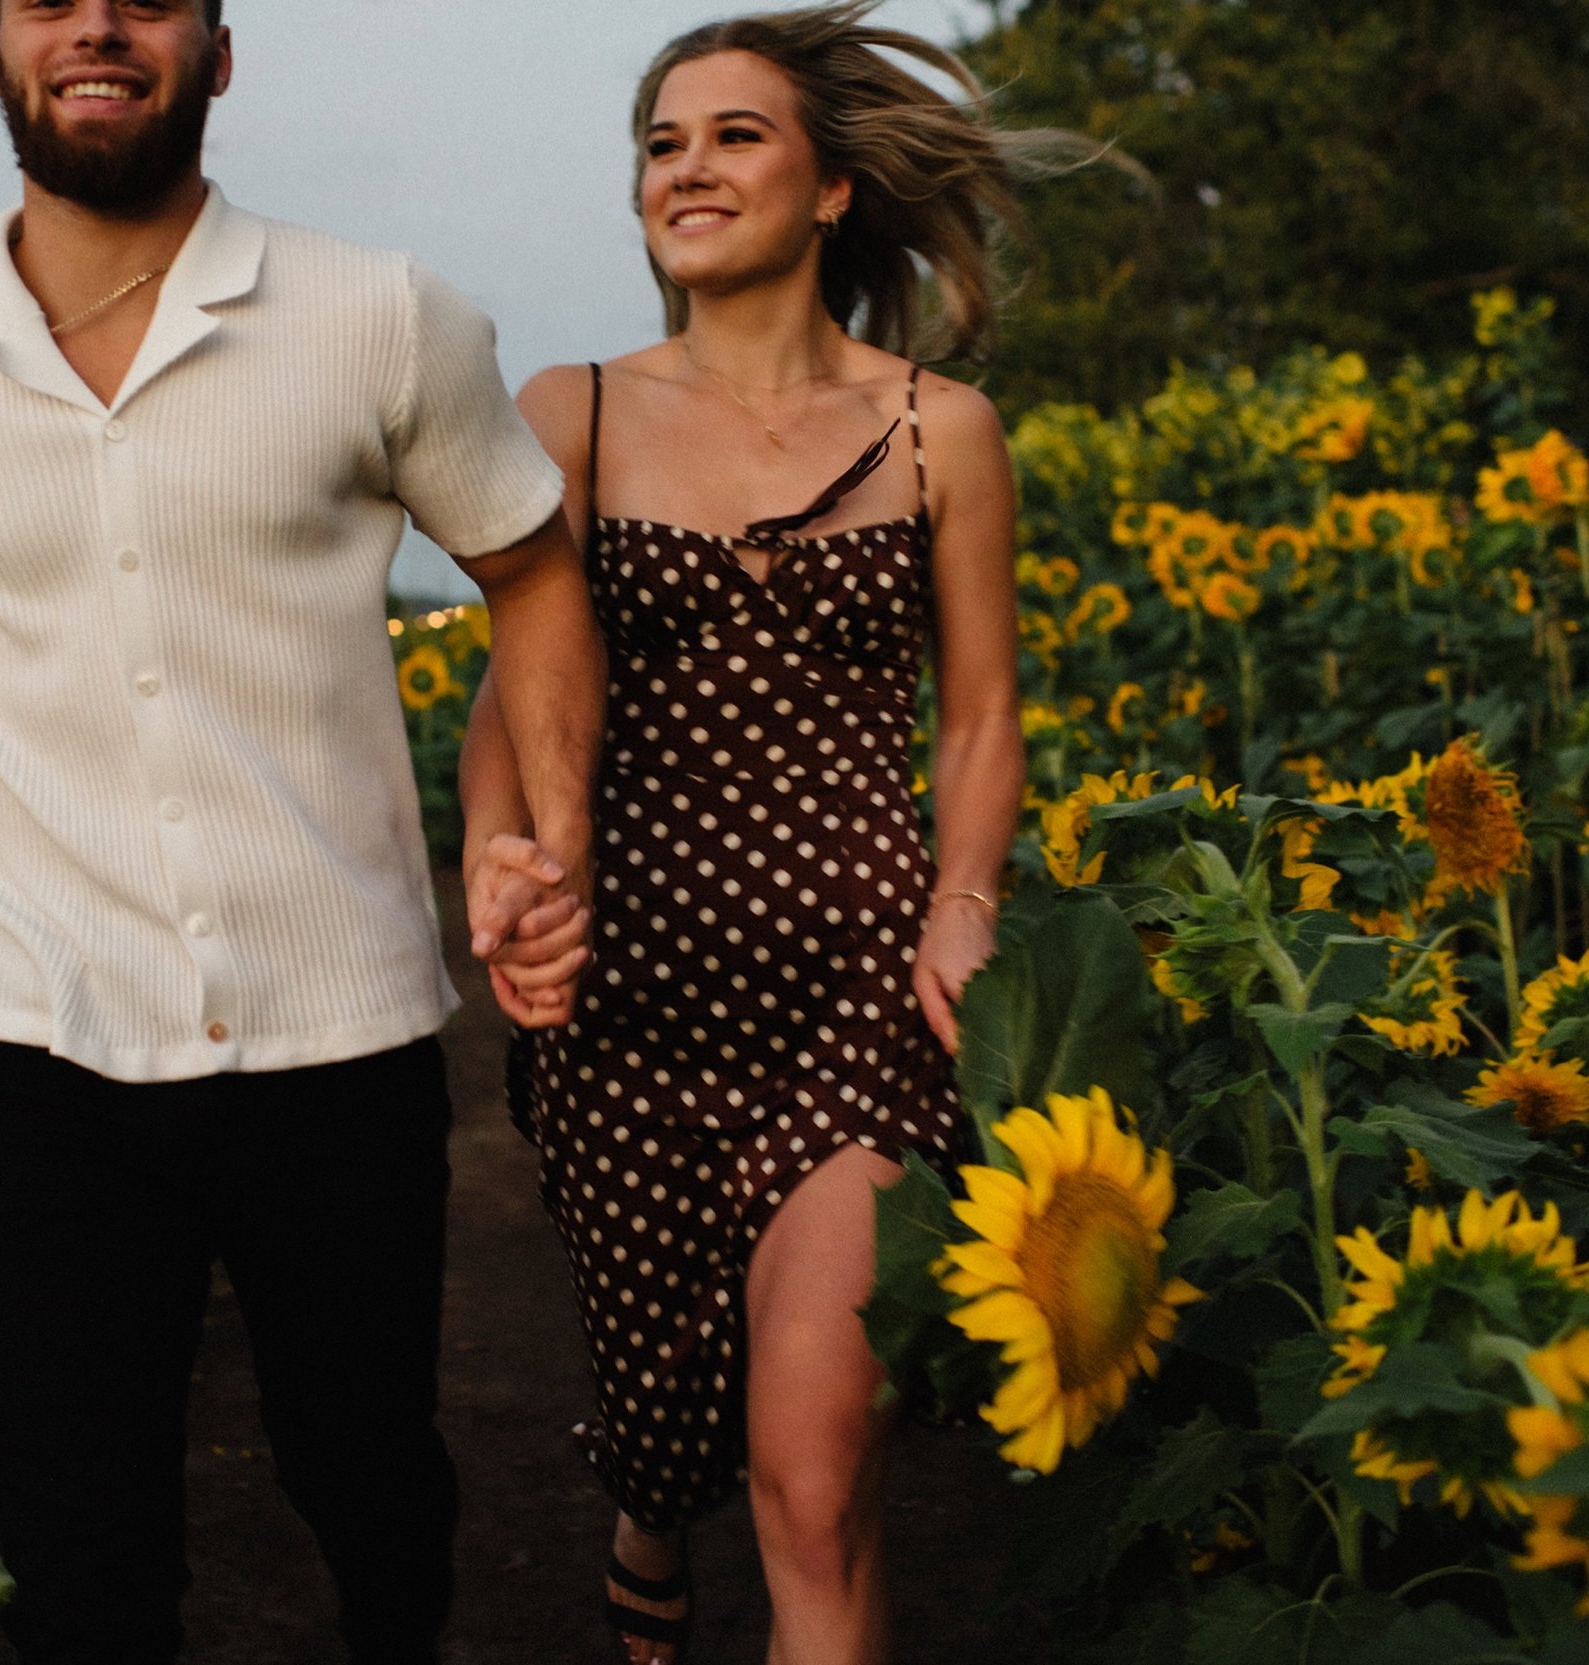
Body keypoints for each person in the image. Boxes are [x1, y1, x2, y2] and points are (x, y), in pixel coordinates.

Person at [0, 3, 600, 1661]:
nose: (95, 21)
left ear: (218, 52)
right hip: (42, 1029)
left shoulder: (379, 316)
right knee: (81, 1544)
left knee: (369, 1482)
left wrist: (547, 830)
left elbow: (530, 566)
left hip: (341, 1032)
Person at [459, 5, 1073, 1660]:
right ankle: (651, 1514)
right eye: (664, 142)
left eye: (735, 134)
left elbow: (981, 714)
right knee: (668, 1408)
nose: (689, 167)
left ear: (831, 192)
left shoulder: (941, 429)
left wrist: (961, 900)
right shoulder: (567, 412)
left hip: (861, 996)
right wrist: (500, 863)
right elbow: (507, 704)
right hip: (632, 1005)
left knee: (812, 1472)